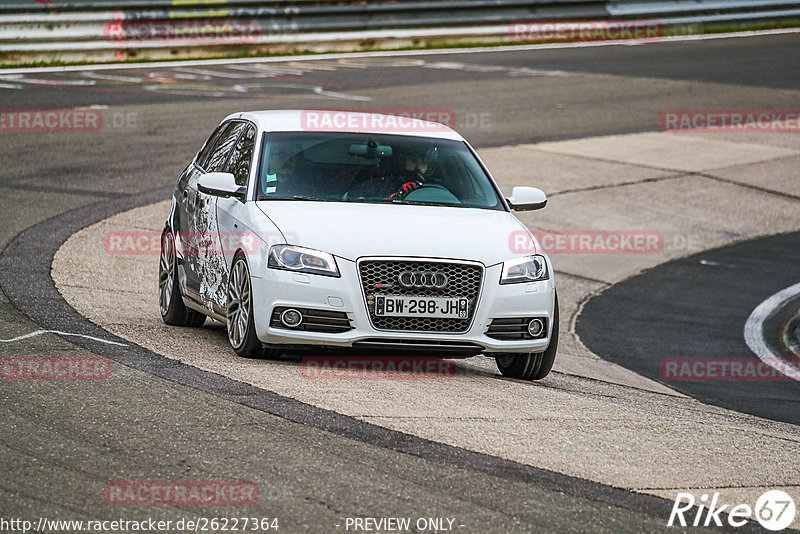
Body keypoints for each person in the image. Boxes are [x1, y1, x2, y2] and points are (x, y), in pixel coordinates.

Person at [347, 143, 436, 200]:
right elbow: (349, 199)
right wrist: (395, 197)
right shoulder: (380, 184)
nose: (419, 167)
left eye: (424, 163)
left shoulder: (439, 187)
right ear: (402, 161)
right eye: (413, 161)